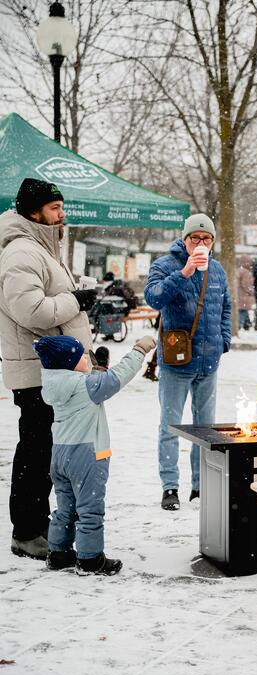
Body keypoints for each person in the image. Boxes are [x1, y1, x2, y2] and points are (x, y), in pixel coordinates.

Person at [0, 178, 96, 560]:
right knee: (37, 453)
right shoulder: (22, 251)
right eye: (55, 208)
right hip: (38, 371)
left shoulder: (41, 247)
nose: (62, 214)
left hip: (53, 370)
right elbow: (33, 312)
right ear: (33, 211)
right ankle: (27, 531)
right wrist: (75, 301)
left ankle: (38, 525)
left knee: (46, 452)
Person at [34, 333, 155, 575]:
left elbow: (90, 380)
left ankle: (58, 553)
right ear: (68, 363)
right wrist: (139, 351)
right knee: (90, 509)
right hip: (86, 455)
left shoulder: (55, 381)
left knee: (65, 507)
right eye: (81, 357)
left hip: (59, 454)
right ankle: (90, 559)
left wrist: (96, 369)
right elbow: (116, 378)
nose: (86, 359)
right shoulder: (85, 385)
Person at [144, 213, 231, 510]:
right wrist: (183, 273)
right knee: (170, 425)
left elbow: (226, 308)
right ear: (185, 239)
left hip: (209, 362)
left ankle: (200, 486)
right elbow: (153, 298)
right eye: (195, 238)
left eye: (207, 239)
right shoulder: (165, 265)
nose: (201, 243)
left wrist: (224, 341)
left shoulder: (217, 270)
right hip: (176, 360)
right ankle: (170, 487)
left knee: (205, 429)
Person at [236, 255, 254, 330]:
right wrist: (251, 291)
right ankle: (239, 325)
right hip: (244, 295)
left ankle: (247, 324)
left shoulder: (239, 270)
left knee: (243, 310)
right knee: (243, 310)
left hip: (239, 294)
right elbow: (246, 284)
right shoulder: (246, 272)